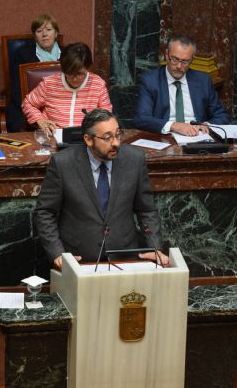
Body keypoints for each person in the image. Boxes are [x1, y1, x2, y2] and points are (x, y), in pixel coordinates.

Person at [35, 108, 169, 270]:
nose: (116, 143)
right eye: (107, 137)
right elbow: (45, 212)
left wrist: (154, 247)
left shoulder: (134, 159)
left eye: (118, 134)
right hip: (78, 259)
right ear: (88, 139)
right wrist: (57, 253)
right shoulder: (63, 163)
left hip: (125, 256)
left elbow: (146, 210)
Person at [134, 35, 229, 136]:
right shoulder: (150, 81)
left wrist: (207, 125)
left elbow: (222, 115)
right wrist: (174, 125)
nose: (179, 66)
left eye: (185, 61)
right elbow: (141, 118)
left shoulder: (203, 80)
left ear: (192, 60)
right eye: (175, 59)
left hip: (198, 137)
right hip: (165, 136)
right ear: (167, 55)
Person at [22, 43, 112, 136]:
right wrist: (39, 119)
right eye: (69, 73)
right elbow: (28, 103)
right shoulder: (49, 83)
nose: (74, 78)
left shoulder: (98, 84)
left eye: (79, 73)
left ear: (87, 68)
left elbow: (106, 115)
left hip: (85, 138)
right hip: (53, 136)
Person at [7, 14, 62, 132]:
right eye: (39, 31)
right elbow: (17, 89)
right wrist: (35, 110)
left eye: (49, 30)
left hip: (60, 105)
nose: (45, 34)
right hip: (29, 104)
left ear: (56, 33)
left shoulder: (68, 54)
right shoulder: (21, 55)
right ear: (34, 36)